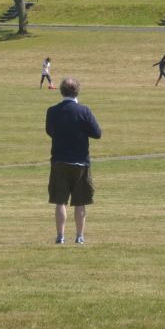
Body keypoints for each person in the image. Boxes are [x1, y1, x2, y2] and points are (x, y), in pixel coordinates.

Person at [45, 76, 101, 245]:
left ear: (61, 91)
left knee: (60, 201)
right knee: (80, 201)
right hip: (80, 161)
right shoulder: (84, 111)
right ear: (77, 91)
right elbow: (97, 133)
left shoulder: (52, 111)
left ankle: (60, 236)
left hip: (59, 160)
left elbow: (50, 131)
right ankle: (79, 236)